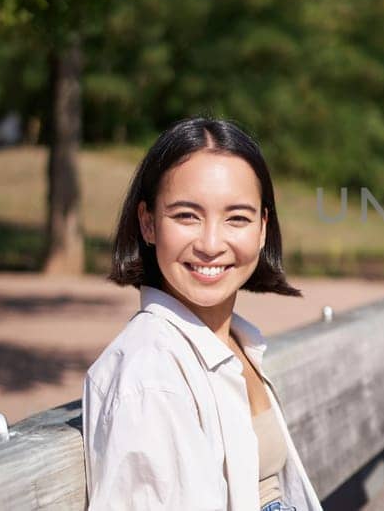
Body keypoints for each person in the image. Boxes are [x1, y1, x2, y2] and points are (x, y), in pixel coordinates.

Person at [83, 118, 323, 511]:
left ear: (263, 229)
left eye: (237, 218)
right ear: (148, 223)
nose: (211, 244)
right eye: (186, 216)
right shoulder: (150, 374)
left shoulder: (237, 342)